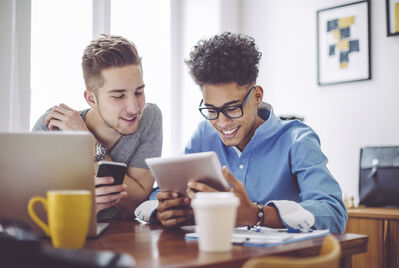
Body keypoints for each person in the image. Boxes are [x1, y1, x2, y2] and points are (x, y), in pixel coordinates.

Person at [144, 32, 347, 233]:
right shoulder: (203, 135)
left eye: (232, 108)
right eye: (212, 110)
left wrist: (257, 214)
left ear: (257, 96)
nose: (222, 122)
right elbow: (157, 197)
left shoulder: (297, 140)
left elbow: (333, 213)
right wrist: (165, 209)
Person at [32, 34, 162, 220]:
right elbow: (29, 211)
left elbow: (136, 204)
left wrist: (89, 143)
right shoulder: (53, 127)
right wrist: (78, 210)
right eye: (118, 96)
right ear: (91, 99)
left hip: (123, 240)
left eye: (139, 92)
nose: (134, 108)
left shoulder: (149, 118)